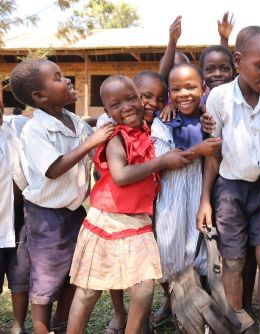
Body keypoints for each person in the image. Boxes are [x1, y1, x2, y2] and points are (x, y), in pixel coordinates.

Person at [67, 75, 188, 333]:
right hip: (108, 220)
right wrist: (161, 162)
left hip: (138, 221)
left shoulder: (144, 131)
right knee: (89, 290)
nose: (127, 106)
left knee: (144, 287)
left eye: (132, 98)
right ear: (109, 112)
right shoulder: (116, 138)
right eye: (116, 104)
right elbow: (120, 176)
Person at [196, 25, 260, 334]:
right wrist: (205, 199)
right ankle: (235, 324)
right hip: (230, 189)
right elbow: (213, 153)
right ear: (238, 61)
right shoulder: (219, 98)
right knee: (234, 261)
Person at [9, 59, 115, 334]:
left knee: (74, 272)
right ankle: (42, 328)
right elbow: (54, 169)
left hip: (73, 210)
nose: (67, 80)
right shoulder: (35, 130)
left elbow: (94, 134)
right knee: (46, 278)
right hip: (45, 216)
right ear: (40, 96)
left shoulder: (74, 120)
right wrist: (90, 143)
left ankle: (62, 322)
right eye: (57, 78)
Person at [150, 63, 222, 328]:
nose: (185, 94)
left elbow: (213, 157)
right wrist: (197, 150)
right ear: (169, 93)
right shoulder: (163, 120)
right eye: (177, 89)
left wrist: (205, 199)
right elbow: (163, 160)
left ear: (203, 88)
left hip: (198, 194)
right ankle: (174, 305)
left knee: (199, 252)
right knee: (169, 251)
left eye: (191, 87)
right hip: (170, 198)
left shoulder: (207, 119)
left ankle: (196, 312)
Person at [0, 97, 30, 334]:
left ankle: (18, 326)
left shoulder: (9, 136)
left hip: (18, 219)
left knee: (20, 277)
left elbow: (22, 175)